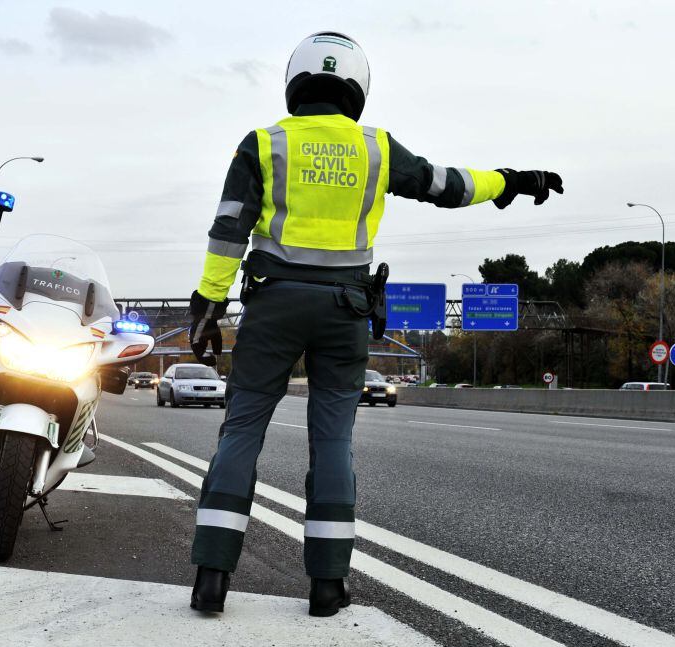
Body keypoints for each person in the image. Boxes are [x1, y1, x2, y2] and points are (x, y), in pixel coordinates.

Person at [186, 31, 563, 617]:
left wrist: (207, 309)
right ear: (357, 88)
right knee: (332, 441)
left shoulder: (263, 143)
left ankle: (212, 576)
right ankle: (327, 586)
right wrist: (512, 180)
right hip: (345, 313)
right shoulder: (376, 147)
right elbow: (446, 184)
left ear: (295, 83)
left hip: (273, 306)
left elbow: (229, 228)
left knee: (241, 432)